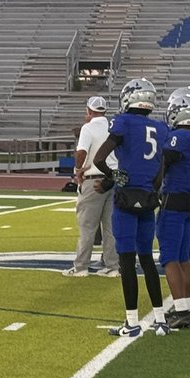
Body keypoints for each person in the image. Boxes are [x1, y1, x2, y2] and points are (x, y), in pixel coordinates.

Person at [91, 78, 169, 338]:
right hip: (148, 198)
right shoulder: (160, 127)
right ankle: (160, 319)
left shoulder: (123, 122)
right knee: (147, 260)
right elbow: (161, 167)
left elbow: (100, 159)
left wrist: (114, 176)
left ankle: (132, 323)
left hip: (125, 199)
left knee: (127, 261)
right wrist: (151, 186)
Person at [158, 92, 190, 329]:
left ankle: (180, 309)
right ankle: (188, 304)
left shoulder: (180, 137)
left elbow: (163, 161)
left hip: (175, 198)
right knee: (183, 256)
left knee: (169, 258)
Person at [63, 96, 119, 278]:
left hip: (93, 180)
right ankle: (112, 266)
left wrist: (77, 169)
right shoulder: (113, 127)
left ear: (89, 110)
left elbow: (82, 152)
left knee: (87, 226)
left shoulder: (88, 128)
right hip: (113, 180)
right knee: (110, 228)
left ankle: (81, 266)